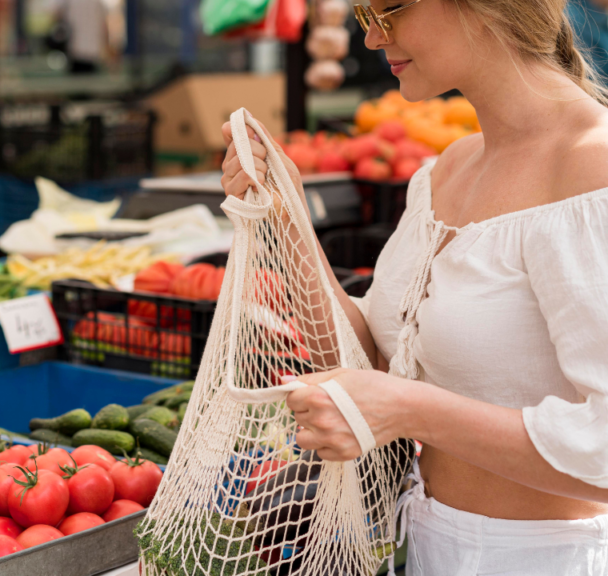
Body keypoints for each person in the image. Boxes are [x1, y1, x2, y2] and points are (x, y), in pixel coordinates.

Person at [219, 0, 608, 573]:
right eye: (363, 15)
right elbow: (372, 362)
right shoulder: (449, 169)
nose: (374, 38)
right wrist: (286, 219)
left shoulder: (590, 169)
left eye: (389, 10)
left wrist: (410, 410)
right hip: (426, 544)